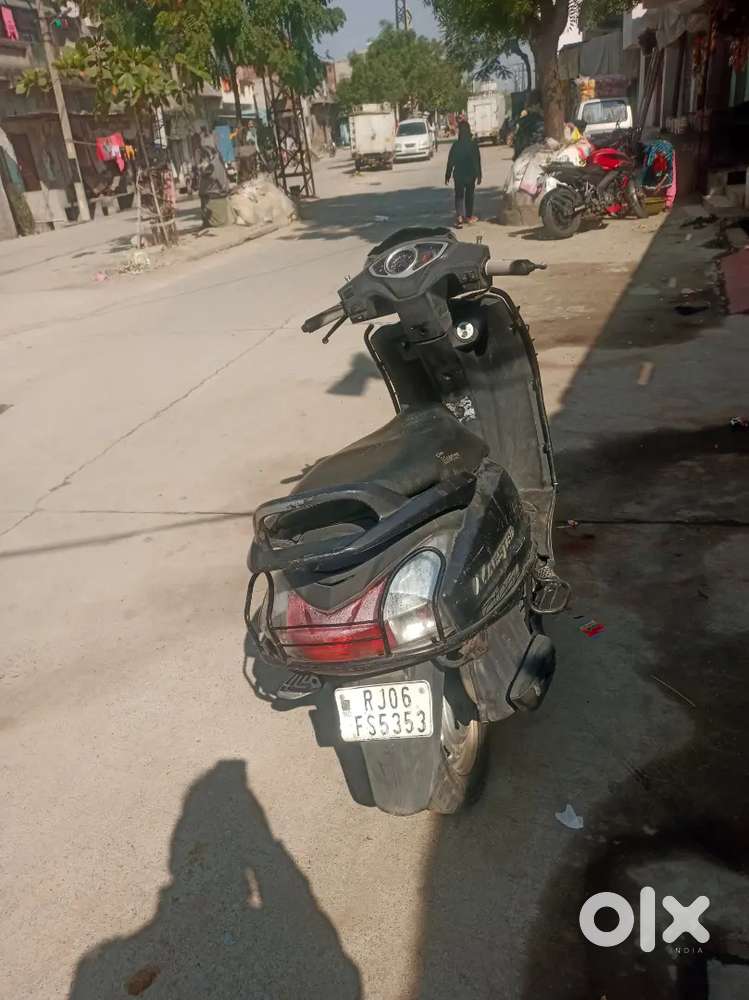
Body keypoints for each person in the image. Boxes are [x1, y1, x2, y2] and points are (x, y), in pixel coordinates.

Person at [445, 120, 482, 228]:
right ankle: (469, 216)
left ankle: (460, 217)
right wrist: (479, 175)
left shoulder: (455, 145)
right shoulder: (473, 145)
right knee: (469, 195)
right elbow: (477, 161)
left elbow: (450, 162)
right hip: (471, 174)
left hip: (459, 175)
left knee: (459, 196)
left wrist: (447, 175)